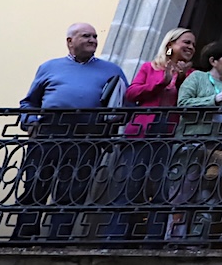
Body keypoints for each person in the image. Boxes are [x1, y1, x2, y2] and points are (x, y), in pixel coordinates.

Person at [15, 23, 128, 241]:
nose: (93, 40)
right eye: (86, 36)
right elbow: (29, 102)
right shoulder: (49, 67)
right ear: (70, 41)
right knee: (35, 185)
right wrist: (29, 122)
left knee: (73, 190)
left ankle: (57, 240)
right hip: (49, 130)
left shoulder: (112, 70)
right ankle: (23, 237)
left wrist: (112, 122)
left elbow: (124, 104)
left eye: (95, 36)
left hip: (88, 134)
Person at [104, 27, 195, 241]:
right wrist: (161, 82)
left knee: (162, 189)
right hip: (141, 133)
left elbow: (187, 101)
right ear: (170, 44)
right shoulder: (149, 67)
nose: (190, 47)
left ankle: (152, 241)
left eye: (193, 44)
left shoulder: (191, 75)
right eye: (186, 42)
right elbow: (132, 92)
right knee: (128, 184)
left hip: (169, 135)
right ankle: (115, 239)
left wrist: (180, 80)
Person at [168, 44, 222, 241]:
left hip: (218, 151)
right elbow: (182, 105)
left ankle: (195, 244)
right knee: (181, 198)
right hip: (190, 148)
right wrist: (213, 100)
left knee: (207, 201)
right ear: (213, 61)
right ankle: (174, 244)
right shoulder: (197, 78)